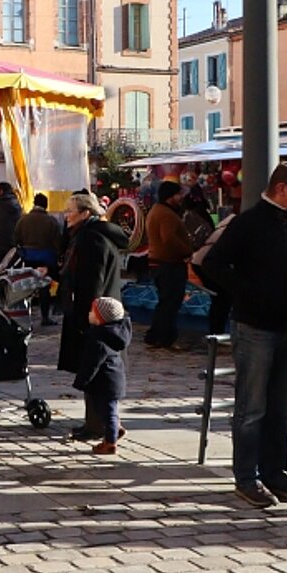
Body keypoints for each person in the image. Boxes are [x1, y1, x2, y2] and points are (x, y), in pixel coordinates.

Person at [203, 162, 287, 509]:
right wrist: (248, 294)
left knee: (281, 407)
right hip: (255, 327)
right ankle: (247, 477)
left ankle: (275, 472)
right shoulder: (249, 222)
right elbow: (212, 264)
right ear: (281, 189)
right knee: (252, 407)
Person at [57, 193, 130, 442]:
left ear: (85, 213)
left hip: (96, 315)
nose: (66, 215)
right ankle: (100, 423)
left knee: (96, 369)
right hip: (98, 311)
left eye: (71, 210)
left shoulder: (92, 238)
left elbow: (91, 281)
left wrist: (87, 317)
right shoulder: (91, 234)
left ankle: (100, 425)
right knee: (95, 369)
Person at [75, 297, 131, 455]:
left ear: (100, 318)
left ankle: (110, 443)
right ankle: (116, 430)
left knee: (108, 412)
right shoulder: (112, 333)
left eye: (93, 312)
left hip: (105, 382)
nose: (89, 314)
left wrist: (82, 380)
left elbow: (92, 363)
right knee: (104, 410)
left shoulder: (100, 338)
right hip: (111, 380)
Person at [143, 180, 193, 349]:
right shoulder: (166, 214)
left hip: (159, 263)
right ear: (171, 196)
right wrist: (187, 251)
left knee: (165, 302)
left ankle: (156, 335)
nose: (181, 198)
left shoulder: (156, 210)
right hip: (169, 264)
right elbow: (169, 239)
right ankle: (165, 338)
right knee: (170, 302)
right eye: (179, 194)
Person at [12, 192, 62, 326]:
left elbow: (16, 239)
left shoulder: (23, 220)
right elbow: (57, 242)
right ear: (46, 205)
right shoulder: (51, 221)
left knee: (26, 286)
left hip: (28, 257)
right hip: (46, 259)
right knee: (44, 287)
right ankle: (45, 317)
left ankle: (23, 317)